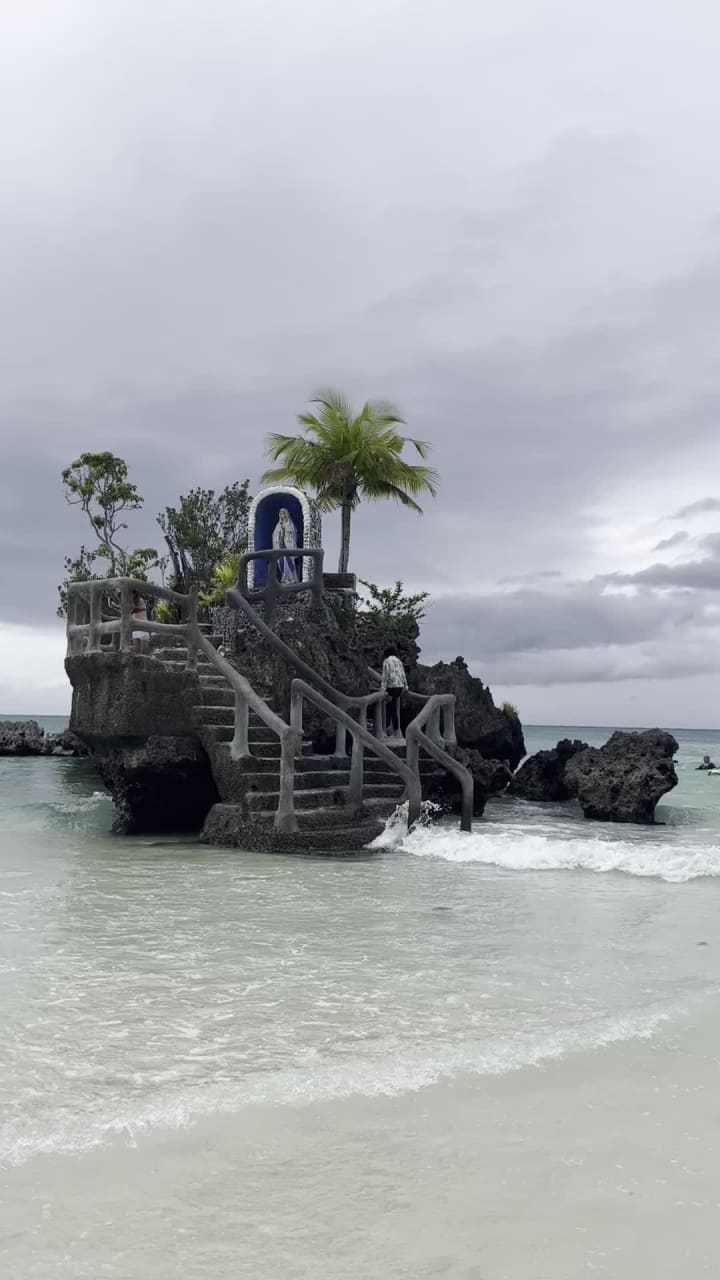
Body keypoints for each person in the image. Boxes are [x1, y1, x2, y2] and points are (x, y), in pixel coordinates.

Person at [381, 646, 408, 741]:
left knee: (388, 708)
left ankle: (387, 728)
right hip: (399, 688)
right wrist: (406, 687)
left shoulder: (386, 661)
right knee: (393, 708)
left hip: (391, 688)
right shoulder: (399, 661)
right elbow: (403, 674)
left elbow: (385, 676)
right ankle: (395, 730)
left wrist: (383, 689)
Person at [272, 507, 299, 584]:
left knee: (289, 561)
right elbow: (274, 535)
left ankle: (292, 578)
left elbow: (293, 533)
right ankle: (284, 578)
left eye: (283, 513)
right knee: (280, 562)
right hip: (280, 545)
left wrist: (286, 528)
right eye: (280, 513)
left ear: (286, 514)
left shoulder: (289, 524)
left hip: (288, 545)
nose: (281, 515)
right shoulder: (278, 525)